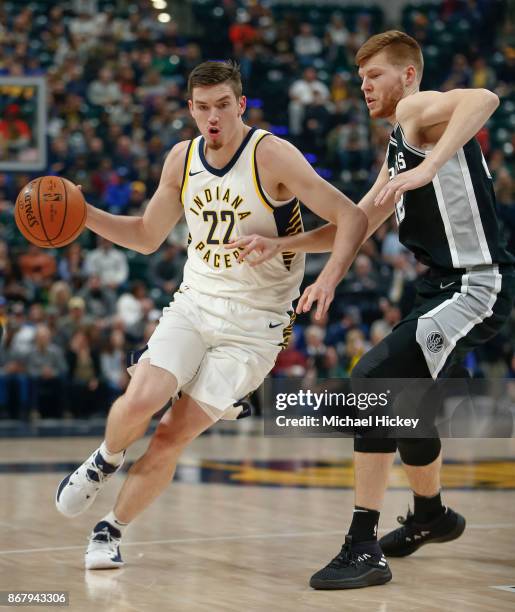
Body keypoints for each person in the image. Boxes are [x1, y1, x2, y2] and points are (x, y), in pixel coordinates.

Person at [55, 60, 367, 570]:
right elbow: (147, 236)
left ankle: (110, 530)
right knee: (143, 397)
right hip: (197, 300)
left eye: (224, 105)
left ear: (240, 104)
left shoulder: (273, 156)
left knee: (172, 433)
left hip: (257, 321)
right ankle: (103, 460)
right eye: (203, 108)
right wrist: (85, 213)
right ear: (191, 110)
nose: (213, 117)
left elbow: (350, 219)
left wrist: (299, 256)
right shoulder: (181, 159)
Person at [230, 31, 515, 589]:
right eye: (360, 78)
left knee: (373, 385)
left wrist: (431, 167)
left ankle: (363, 545)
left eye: (375, 75)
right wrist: (286, 249)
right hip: (440, 290)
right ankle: (431, 516)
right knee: (406, 405)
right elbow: (355, 224)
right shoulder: (399, 144)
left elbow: (485, 100)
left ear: (407, 75)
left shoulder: (418, 111)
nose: (363, 86)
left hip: (476, 285)